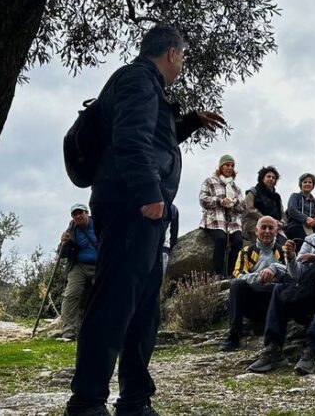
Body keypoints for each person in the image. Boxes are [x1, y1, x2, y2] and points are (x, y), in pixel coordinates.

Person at [66, 25, 225, 416]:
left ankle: (134, 400)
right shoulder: (138, 79)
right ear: (172, 53)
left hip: (144, 213)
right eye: (183, 57)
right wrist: (149, 195)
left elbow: (153, 139)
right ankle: (86, 402)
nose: (182, 64)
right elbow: (131, 140)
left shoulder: (145, 85)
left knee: (142, 310)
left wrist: (188, 122)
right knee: (114, 303)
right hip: (131, 208)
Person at [247, 199, 315, 376]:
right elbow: (296, 274)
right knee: (279, 289)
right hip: (310, 291)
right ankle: (273, 348)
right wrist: (290, 257)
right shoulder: (310, 239)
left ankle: (311, 351)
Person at [220, 216, 288, 352]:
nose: (267, 231)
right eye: (263, 227)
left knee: (282, 287)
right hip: (253, 299)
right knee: (237, 285)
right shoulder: (246, 251)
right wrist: (260, 278)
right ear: (256, 231)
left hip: (273, 300)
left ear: (276, 231)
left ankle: (274, 341)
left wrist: (273, 269)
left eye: (271, 228)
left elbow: (291, 271)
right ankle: (234, 336)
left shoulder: (283, 251)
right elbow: (238, 274)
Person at [198, 155, 246, 278]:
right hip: (215, 219)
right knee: (221, 239)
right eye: (227, 165)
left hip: (233, 222)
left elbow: (242, 208)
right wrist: (220, 201)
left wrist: (233, 203)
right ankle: (217, 273)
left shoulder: (236, 188)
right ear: (220, 167)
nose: (230, 168)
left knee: (238, 241)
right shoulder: (210, 181)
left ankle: (231, 273)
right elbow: (203, 199)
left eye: (232, 165)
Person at [59, 203, 98, 341]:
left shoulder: (99, 224)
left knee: (103, 297)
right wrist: (64, 242)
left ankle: (105, 329)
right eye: (75, 214)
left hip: (100, 266)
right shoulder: (72, 229)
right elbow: (63, 254)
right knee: (71, 295)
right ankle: (68, 331)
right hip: (79, 266)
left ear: (87, 213)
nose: (78, 216)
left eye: (80, 213)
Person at [284, 172, 315, 242]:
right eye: (305, 182)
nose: (307, 184)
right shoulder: (295, 196)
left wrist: (314, 220)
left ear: (313, 185)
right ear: (301, 185)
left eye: (310, 182)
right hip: (296, 226)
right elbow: (292, 210)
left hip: (312, 228)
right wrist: (306, 218)